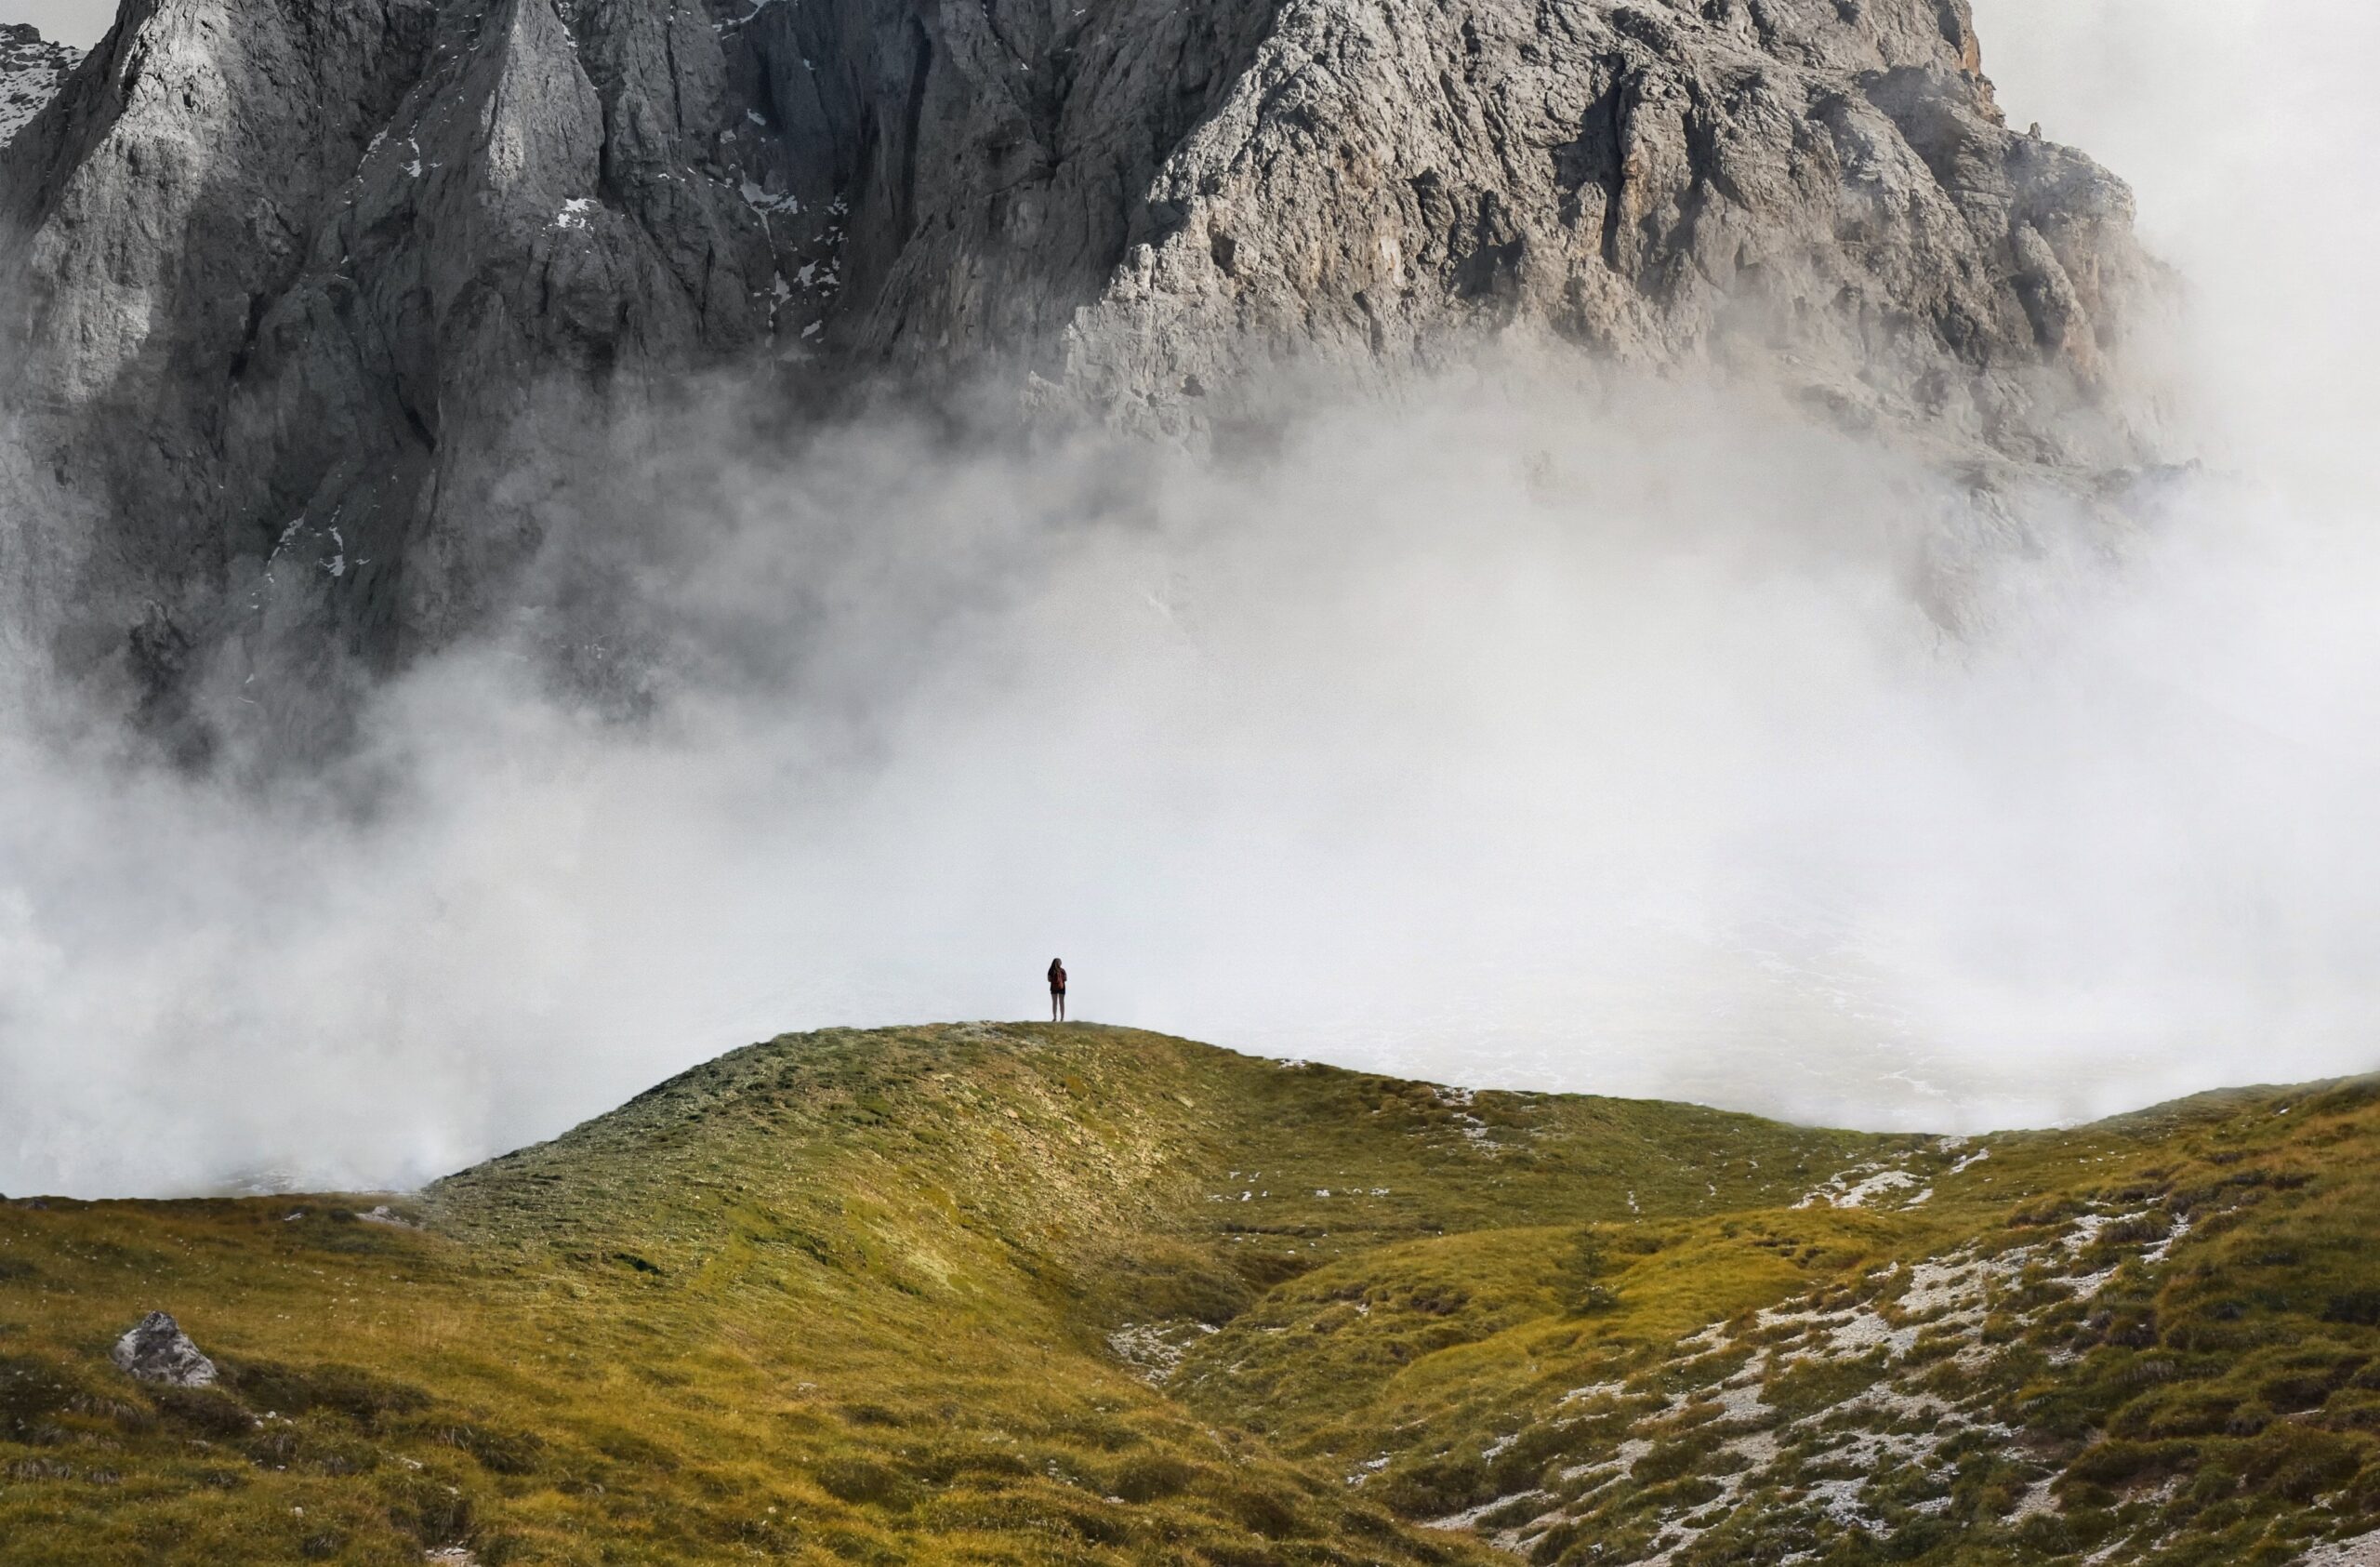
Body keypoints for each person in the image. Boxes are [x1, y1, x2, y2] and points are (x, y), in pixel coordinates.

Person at [1048, 958, 1067, 1022]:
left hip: (1053, 987)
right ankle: (1062, 1018)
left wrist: (1054, 979)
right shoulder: (1062, 970)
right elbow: (1066, 979)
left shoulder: (1050, 970)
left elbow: (1049, 979)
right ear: (1059, 963)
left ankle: (1055, 1018)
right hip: (1062, 987)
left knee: (1054, 1003)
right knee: (1061, 1003)